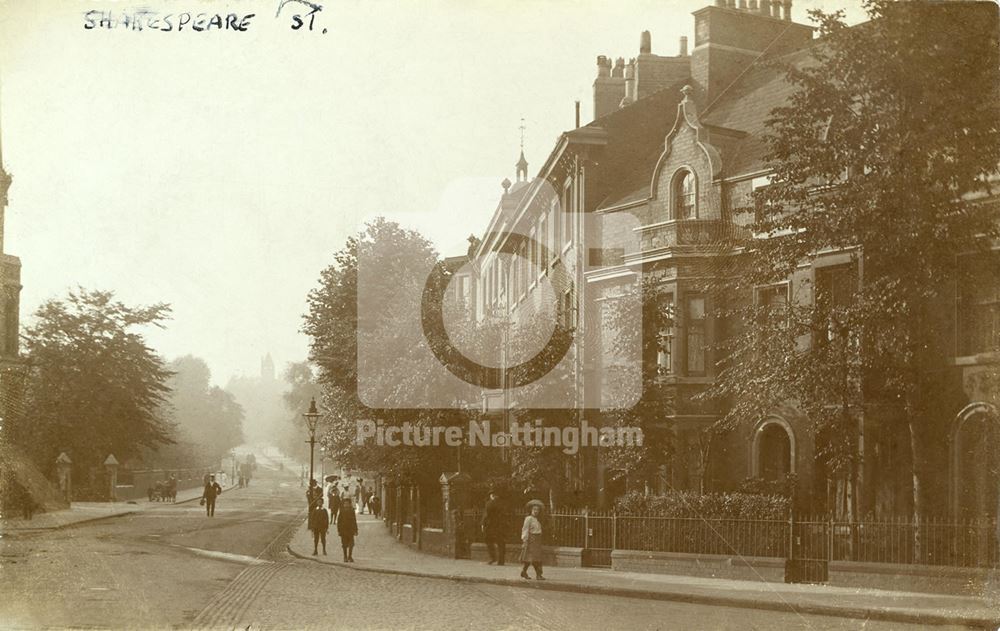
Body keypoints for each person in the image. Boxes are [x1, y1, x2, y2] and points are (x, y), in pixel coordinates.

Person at [519, 503, 544, 580]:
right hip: (531, 540)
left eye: (537, 510)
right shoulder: (528, 518)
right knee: (534, 558)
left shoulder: (537, 520)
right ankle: (538, 575)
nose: (536, 511)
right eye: (534, 509)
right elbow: (525, 529)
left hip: (537, 540)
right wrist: (525, 540)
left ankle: (524, 572)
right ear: (531, 510)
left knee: (531, 558)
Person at [482, 489, 506, 566]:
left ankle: (493, 558)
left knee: (489, 541)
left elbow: (486, 515)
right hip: (500, 526)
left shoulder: (489, 503)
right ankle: (500, 561)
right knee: (500, 543)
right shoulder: (502, 503)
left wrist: (483, 524)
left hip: (491, 526)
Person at [337, 497, 358, 562]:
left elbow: (354, 521)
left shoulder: (352, 511)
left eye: (347, 504)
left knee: (351, 544)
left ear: (350, 504)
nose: (346, 505)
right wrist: (339, 530)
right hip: (343, 531)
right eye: (345, 503)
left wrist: (356, 530)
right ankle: (345, 556)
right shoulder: (342, 511)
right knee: (344, 544)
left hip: (350, 530)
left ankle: (350, 556)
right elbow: (339, 521)